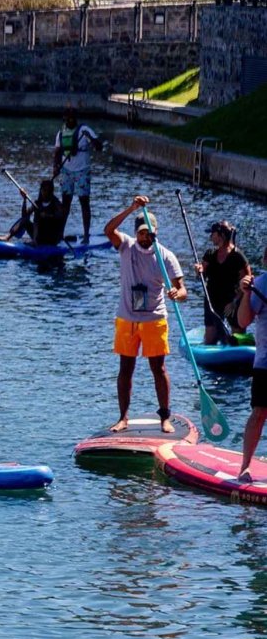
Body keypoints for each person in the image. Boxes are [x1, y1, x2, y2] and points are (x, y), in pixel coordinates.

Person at [104, 195, 187, 434]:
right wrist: (131, 207)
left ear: (155, 233)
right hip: (127, 319)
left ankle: (165, 417)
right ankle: (122, 418)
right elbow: (109, 229)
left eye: (149, 233)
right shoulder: (126, 246)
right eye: (141, 232)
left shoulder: (165, 256)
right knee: (125, 369)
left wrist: (177, 294)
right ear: (136, 232)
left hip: (154, 319)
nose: (145, 237)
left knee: (158, 369)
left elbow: (182, 289)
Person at [233, 249, 267, 479]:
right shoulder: (261, 284)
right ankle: (245, 466)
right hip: (265, 363)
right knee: (259, 412)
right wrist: (246, 293)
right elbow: (243, 321)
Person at [52, 110, 103, 240]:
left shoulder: (84, 129)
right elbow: (57, 152)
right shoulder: (61, 133)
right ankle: (59, 234)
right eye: (67, 119)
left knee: (84, 202)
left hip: (82, 171)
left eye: (72, 118)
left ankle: (86, 235)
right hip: (66, 171)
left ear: (76, 119)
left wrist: (90, 138)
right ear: (64, 119)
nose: (70, 121)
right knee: (66, 204)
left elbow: (99, 147)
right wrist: (56, 167)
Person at [197, 220, 250, 344]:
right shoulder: (210, 254)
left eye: (213, 234)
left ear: (221, 235)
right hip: (212, 299)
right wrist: (199, 270)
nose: (210, 237)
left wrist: (235, 301)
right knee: (210, 340)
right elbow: (202, 274)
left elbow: (247, 283)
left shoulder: (238, 256)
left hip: (232, 300)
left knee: (237, 337)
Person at [0, 178, 64, 246]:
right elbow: (24, 216)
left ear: (51, 192)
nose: (44, 193)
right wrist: (25, 200)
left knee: (39, 218)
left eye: (47, 190)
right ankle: (8, 237)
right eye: (43, 190)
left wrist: (47, 215)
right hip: (39, 236)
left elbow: (60, 216)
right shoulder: (37, 203)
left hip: (51, 236)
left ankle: (35, 241)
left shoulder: (56, 203)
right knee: (25, 220)